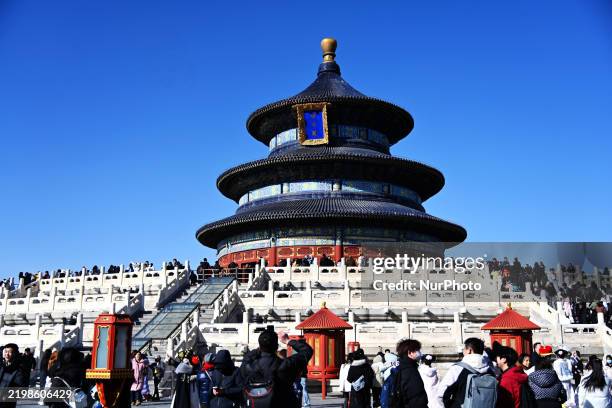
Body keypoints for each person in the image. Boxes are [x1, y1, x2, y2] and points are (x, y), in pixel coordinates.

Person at [240, 326, 313, 408]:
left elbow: (246, 358)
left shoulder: (249, 367)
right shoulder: (286, 365)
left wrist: (261, 347)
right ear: (276, 347)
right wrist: (287, 340)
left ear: (260, 346)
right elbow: (307, 350)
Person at [436, 337, 496, 408]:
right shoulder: (490, 370)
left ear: (469, 350)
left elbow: (441, 394)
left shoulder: (457, 368)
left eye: (464, 348)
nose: (463, 351)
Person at [0, 343, 27, 408]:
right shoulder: (2, 366)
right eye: (6, 352)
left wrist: (6, 397)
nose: (7, 354)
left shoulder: (19, 369)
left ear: (15, 354)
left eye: (9, 352)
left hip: (7, 404)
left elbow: (22, 389)